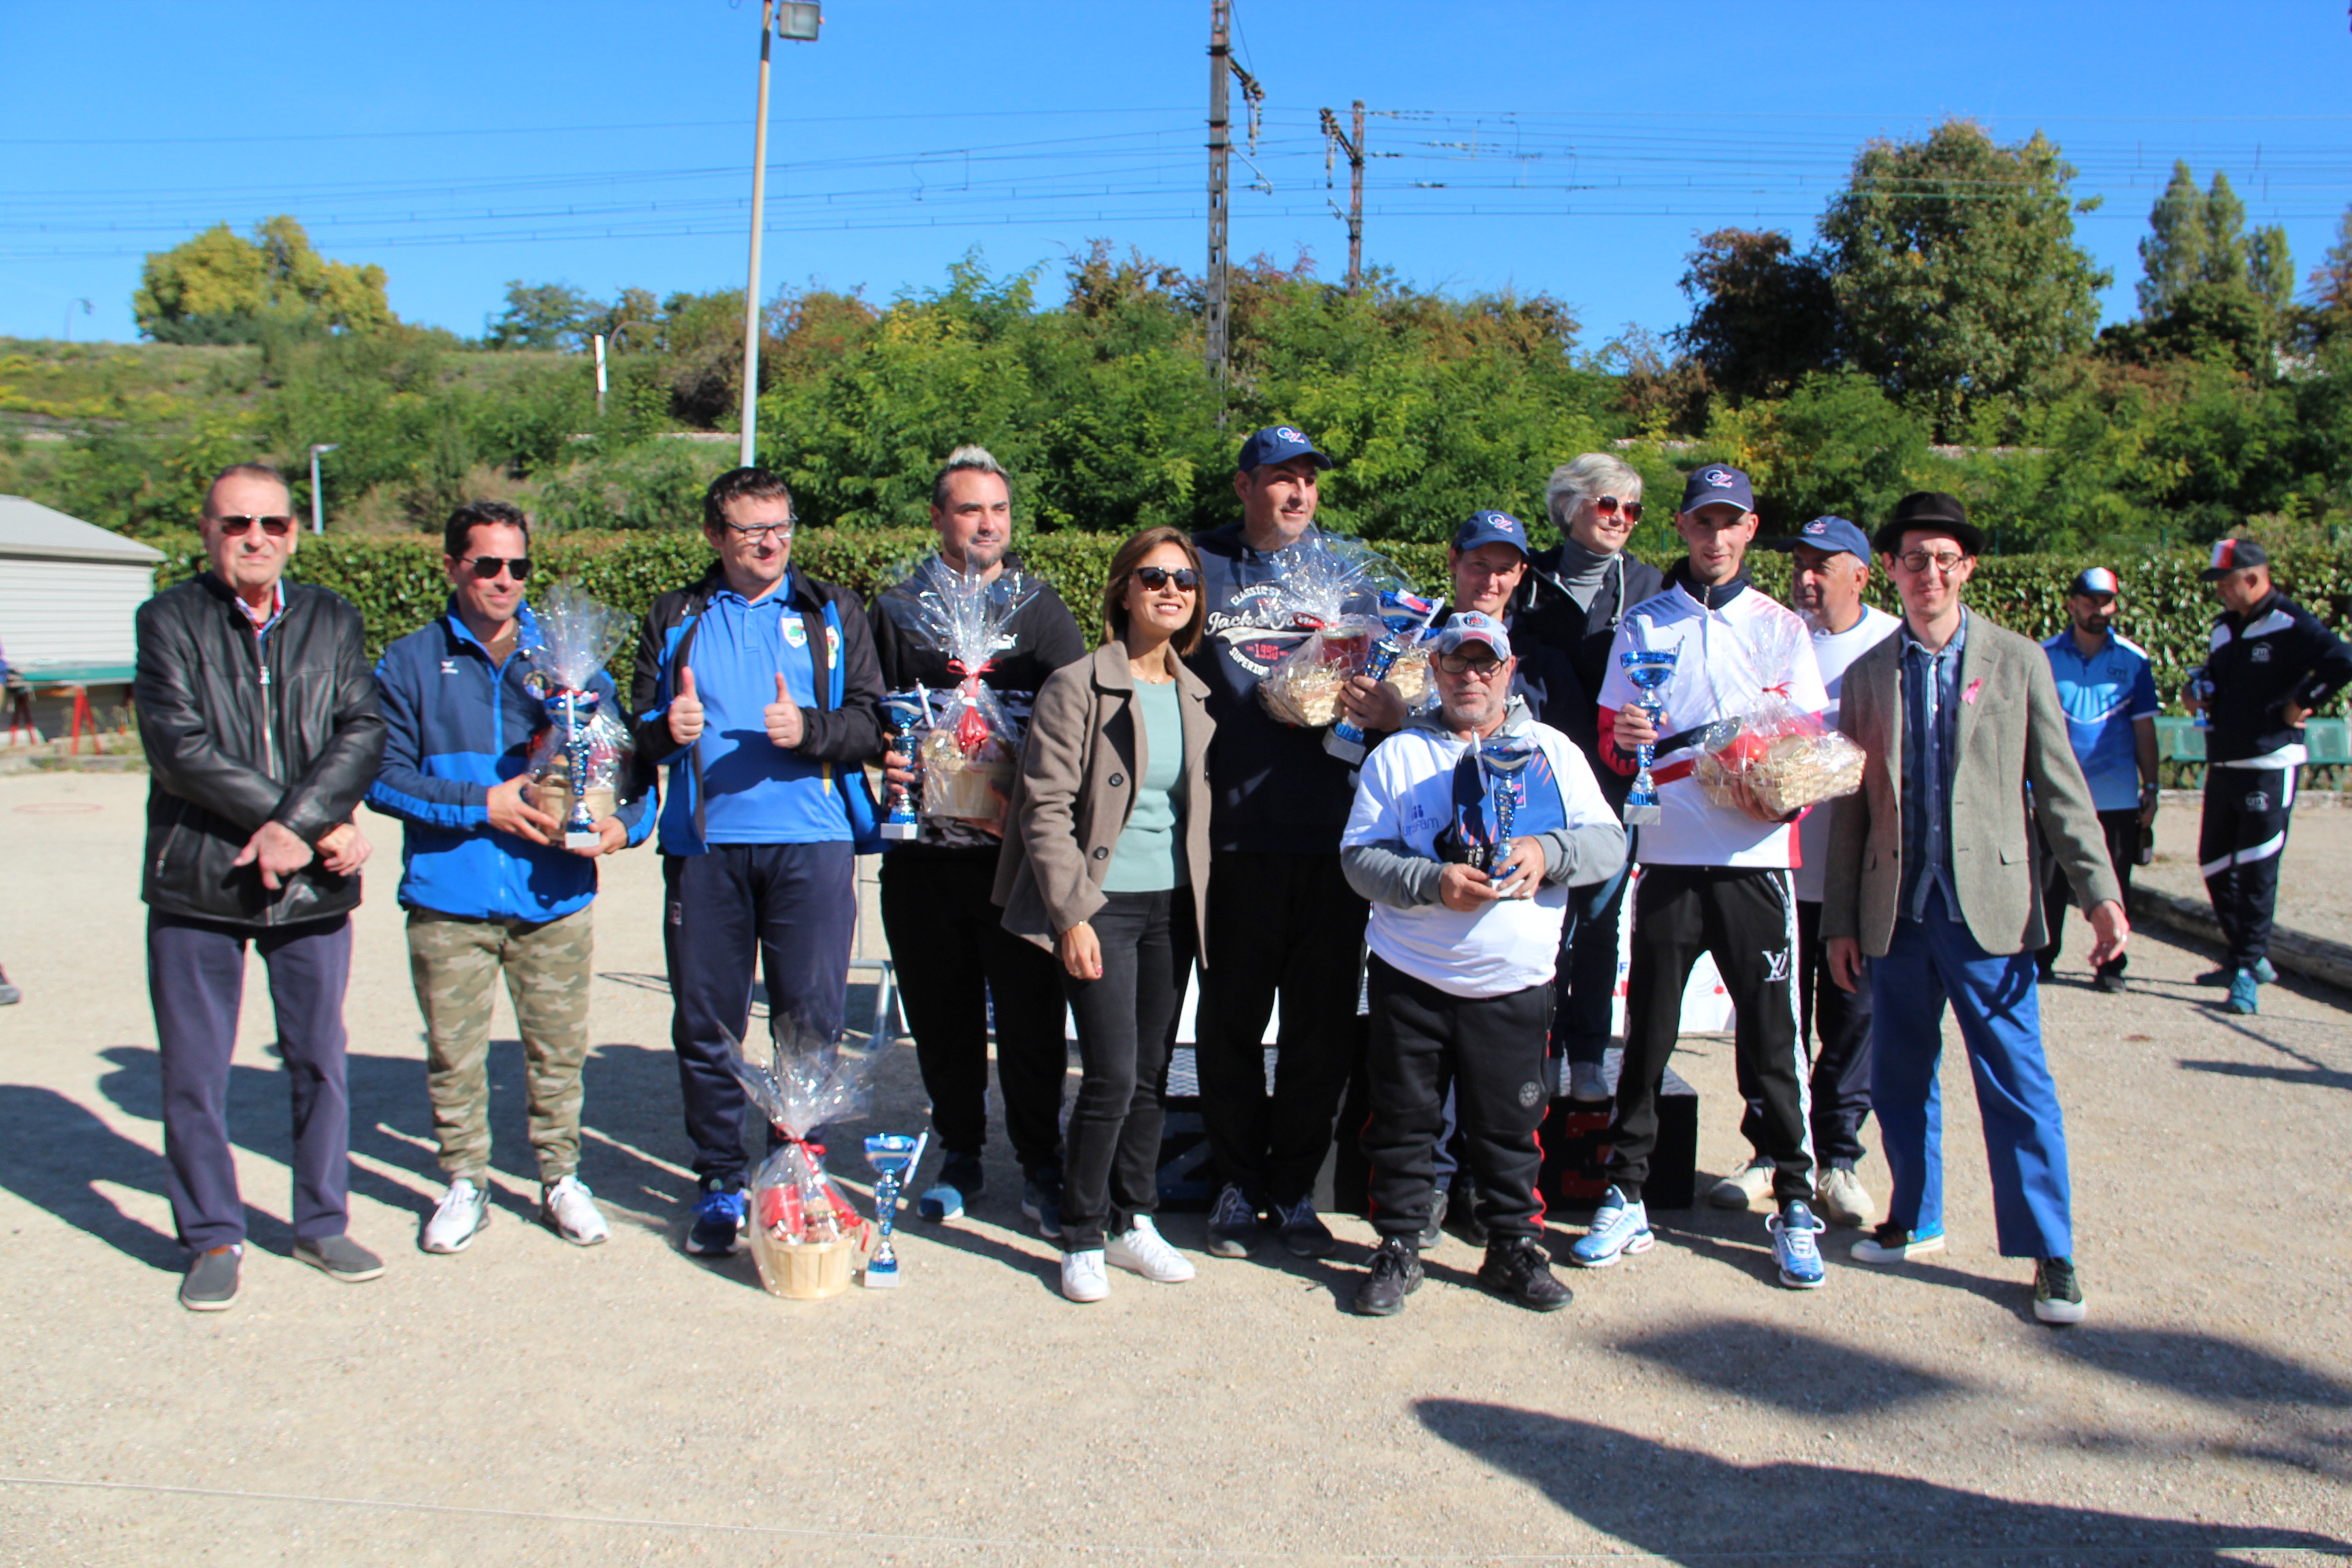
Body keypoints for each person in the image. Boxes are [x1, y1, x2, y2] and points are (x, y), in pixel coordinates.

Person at [1822, 491, 2128, 1326]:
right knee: (1898, 1076)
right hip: (1897, 911)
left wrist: (2100, 897)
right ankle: (1914, 1214)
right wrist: (1841, 920)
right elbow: (1851, 810)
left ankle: (2051, 1249)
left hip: (1988, 910)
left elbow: (2062, 795)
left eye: (1945, 559)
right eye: (1914, 559)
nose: (1930, 574)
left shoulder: (2018, 660)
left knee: (2017, 1083)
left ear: (1968, 568)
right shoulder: (1866, 675)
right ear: (1890, 568)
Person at [367, 500, 653, 1255]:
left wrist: (628, 827)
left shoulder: (566, 662)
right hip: (449, 894)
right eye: (486, 564)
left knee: (558, 1051)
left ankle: (561, 1177)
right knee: (453, 1055)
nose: (504, 580)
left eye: (517, 566)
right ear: (452, 565)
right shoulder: (408, 662)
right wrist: (481, 806)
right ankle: (465, 1180)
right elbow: (380, 779)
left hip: (553, 893)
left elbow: (627, 770)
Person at [133, 461, 387, 1311]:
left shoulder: (331, 617)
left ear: (292, 532)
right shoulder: (167, 618)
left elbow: (361, 730)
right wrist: (295, 824)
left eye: (272, 524)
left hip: (310, 889)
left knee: (319, 1060)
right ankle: (210, 1235)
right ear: (206, 531)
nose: (255, 539)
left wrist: (299, 828)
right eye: (237, 523)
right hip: (199, 879)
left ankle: (320, 1222)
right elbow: (178, 746)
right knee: (194, 1072)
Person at [1579, 464, 1832, 1290]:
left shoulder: (1783, 628)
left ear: (1751, 530)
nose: (1715, 538)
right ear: (1681, 528)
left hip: (1756, 863)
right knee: (1647, 1034)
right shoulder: (1645, 623)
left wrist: (1776, 794)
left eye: (1731, 523)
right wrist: (1630, 739)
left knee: (1771, 1040)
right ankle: (1626, 1193)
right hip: (1668, 857)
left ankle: (1795, 1199)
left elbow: (1806, 749)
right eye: (1700, 522)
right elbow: (1615, 744)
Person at [630, 467, 886, 1257]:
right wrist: (663, 728)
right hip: (706, 851)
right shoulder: (676, 615)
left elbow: (874, 722)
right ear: (715, 535)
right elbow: (632, 726)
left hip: (811, 844)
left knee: (811, 1021)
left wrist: (809, 730)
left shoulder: (829, 610)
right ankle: (716, 1179)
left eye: (782, 525)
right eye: (751, 529)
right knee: (707, 1024)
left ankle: (796, 1171)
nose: (771, 542)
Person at [1341, 612, 1626, 1316]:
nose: (1471, 676)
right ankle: (1401, 1245)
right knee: (1404, 1119)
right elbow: (1358, 861)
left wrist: (1546, 853)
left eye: (1484, 663)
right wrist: (1430, 882)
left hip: (1514, 983)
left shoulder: (1553, 750)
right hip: (1413, 975)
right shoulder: (1398, 755)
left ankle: (1512, 1247)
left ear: (1508, 669)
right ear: (1433, 671)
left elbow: (1609, 845)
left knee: (1512, 1122)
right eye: (1455, 663)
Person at [870, 448, 1087, 1231]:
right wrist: (882, 757)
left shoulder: (1039, 606)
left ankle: (1040, 1161)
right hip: (924, 859)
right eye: (969, 509)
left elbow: (1080, 712)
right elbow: (867, 711)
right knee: (942, 1016)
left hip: (1014, 861)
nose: (986, 524)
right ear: (938, 519)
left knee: (1031, 1021)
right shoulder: (897, 608)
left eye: (998, 509)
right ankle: (960, 1150)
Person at [996, 526, 1215, 1303]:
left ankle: (1135, 1220)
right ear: (1123, 589)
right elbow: (1044, 809)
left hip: (1171, 906)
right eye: (1153, 576)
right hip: (1101, 905)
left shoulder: (1195, 692)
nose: (1170, 590)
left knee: (1153, 1074)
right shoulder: (1077, 684)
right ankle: (1081, 1230)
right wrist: (1071, 914)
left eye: (1184, 580)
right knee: (1112, 1075)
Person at [1188, 425, 1386, 1261]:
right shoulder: (1199, 566)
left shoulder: (1353, 573)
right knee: (1231, 1021)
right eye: (1280, 478)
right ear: (1243, 486)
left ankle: (1295, 1184)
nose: (1298, 493)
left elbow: (1392, 682)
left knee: (1320, 1028)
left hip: (1332, 833)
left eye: (1308, 479)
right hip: (1232, 833)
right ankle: (1236, 1180)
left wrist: (1383, 706)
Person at [1707, 517, 1899, 1228]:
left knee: (1851, 1017)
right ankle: (1770, 1149)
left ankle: (1838, 1158)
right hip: (1775, 866)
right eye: (1800, 564)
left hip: (1852, 873)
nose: (1807, 577)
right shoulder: (1772, 635)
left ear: (1862, 575)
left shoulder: (1888, 644)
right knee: (1770, 1016)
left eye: (1825, 565)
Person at [1518, 455, 1663, 1106]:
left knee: (1601, 926)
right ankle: (1536, 1050)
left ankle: (1587, 1054)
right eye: (1609, 505)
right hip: (1535, 781)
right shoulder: (1526, 578)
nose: (1622, 520)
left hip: (1612, 782)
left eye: (1632, 510)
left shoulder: (1651, 584)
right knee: (1542, 924)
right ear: (1570, 506)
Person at [2183, 539, 2352, 1015]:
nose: (2219, 591)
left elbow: (2342, 660)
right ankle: (2246, 955)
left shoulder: (2290, 622)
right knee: (2214, 863)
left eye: (2225, 582)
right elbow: (2210, 678)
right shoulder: (2222, 628)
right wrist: (2197, 693)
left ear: (2254, 579)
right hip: (2224, 761)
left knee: (2257, 870)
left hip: (2269, 763)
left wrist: (2303, 702)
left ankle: (2246, 968)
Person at [2036, 566, 2161, 994]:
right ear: (2071, 604)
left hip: (2117, 795)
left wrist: (2153, 786)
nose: (2098, 609)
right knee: (2047, 881)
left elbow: (2145, 729)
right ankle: (2042, 959)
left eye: (2106, 601)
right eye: (2089, 601)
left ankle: (2112, 966)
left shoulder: (2134, 659)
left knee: (2115, 884)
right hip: (2054, 795)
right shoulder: (2043, 656)